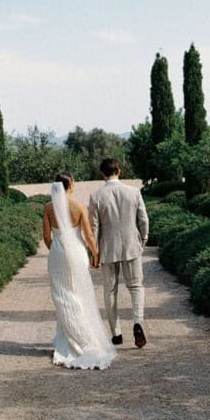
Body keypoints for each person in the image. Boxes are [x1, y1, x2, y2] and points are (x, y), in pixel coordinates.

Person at [43, 173, 115, 370]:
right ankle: (84, 335)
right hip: (76, 252)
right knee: (80, 295)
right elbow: (89, 234)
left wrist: (57, 249)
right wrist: (95, 254)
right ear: (71, 185)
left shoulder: (49, 208)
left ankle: (68, 336)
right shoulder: (79, 206)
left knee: (62, 295)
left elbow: (46, 237)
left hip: (58, 253)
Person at [88, 158, 149, 348]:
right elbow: (143, 219)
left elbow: (93, 227)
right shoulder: (134, 191)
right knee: (136, 286)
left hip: (107, 248)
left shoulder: (96, 196)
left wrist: (94, 252)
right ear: (119, 171)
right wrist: (143, 239)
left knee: (110, 290)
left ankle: (116, 334)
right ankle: (138, 322)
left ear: (102, 174)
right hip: (131, 246)